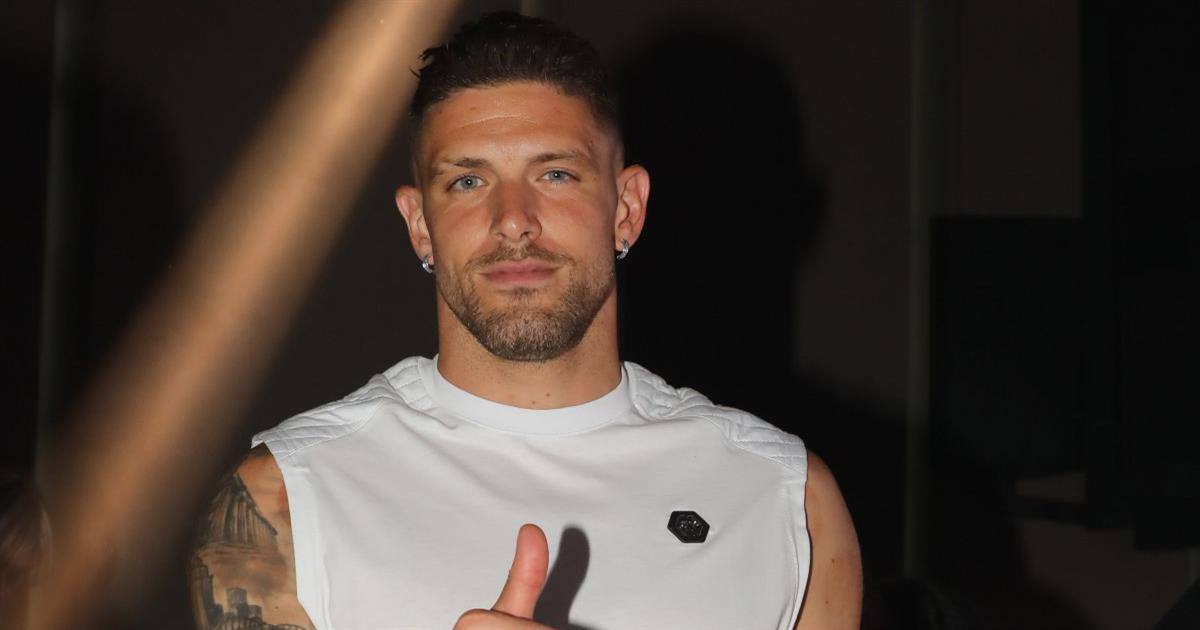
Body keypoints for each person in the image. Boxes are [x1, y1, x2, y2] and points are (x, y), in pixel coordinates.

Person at [191, 11, 861, 630]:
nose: (513, 220)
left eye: (556, 175)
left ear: (626, 208)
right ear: (420, 226)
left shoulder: (784, 498)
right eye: (468, 181)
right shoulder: (287, 499)